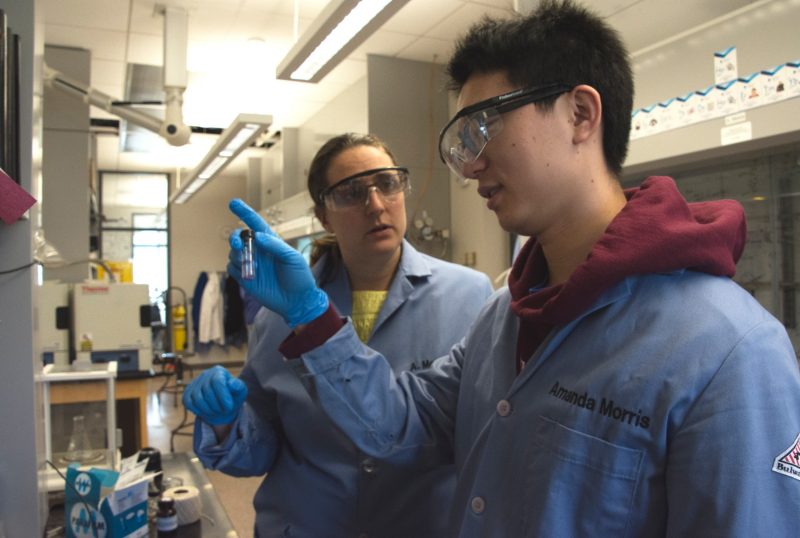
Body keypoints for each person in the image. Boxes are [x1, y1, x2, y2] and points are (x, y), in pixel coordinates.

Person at [223, 1, 800, 536]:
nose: (470, 165)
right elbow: (398, 426)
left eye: (485, 126)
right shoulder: (503, 317)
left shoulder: (730, 352)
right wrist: (312, 316)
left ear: (579, 113)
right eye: (460, 143)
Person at [182, 133, 494, 537]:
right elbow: (259, 453)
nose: (376, 204)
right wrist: (226, 423)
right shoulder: (281, 313)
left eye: (387, 183)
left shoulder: (470, 295)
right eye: (351, 192)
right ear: (324, 216)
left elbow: (483, 435)